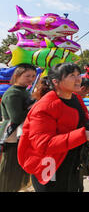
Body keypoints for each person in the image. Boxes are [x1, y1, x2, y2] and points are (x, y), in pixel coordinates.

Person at [17, 63, 89, 192]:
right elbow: (44, 144)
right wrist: (82, 135)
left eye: (78, 75)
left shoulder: (76, 98)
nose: (78, 79)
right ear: (56, 82)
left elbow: (81, 122)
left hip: (73, 165)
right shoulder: (45, 107)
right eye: (71, 75)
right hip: (50, 167)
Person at [0, 63, 36, 192]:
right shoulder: (13, 94)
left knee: (19, 167)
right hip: (11, 135)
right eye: (27, 76)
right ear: (17, 75)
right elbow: (16, 117)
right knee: (10, 168)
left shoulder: (24, 91)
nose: (31, 79)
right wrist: (34, 109)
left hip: (22, 134)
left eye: (33, 76)